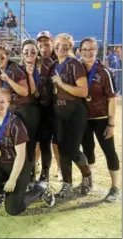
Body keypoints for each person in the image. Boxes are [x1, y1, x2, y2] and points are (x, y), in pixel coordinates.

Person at [0, 88, 55, 216]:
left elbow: (21, 155)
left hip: (19, 164)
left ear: (8, 104)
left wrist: (12, 179)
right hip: (0, 162)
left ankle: (39, 190)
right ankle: (5, 189)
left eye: (2, 102)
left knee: (13, 209)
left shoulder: (16, 123)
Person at [0, 44, 39, 206]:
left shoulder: (14, 69)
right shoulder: (1, 71)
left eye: (2, 56)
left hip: (25, 111)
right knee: (15, 148)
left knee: (28, 147)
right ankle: (18, 178)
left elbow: (25, 92)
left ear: (8, 56)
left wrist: (8, 80)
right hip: (13, 111)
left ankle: (30, 180)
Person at [51, 33, 92, 198]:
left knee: (73, 150)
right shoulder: (55, 64)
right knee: (62, 149)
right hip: (59, 112)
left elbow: (83, 91)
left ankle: (87, 176)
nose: (61, 48)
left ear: (71, 48)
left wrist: (62, 84)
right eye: (59, 44)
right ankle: (67, 184)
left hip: (75, 111)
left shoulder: (74, 64)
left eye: (66, 46)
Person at [79, 38, 120, 202]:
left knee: (109, 151)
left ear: (97, 51)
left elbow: (112, 98)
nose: (88, 53)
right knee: (88, 150)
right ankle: (89, 180)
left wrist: (111, 122)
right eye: (85, 50)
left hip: (102, 118)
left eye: (92, 49)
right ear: (80, 51)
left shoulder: (104, 72)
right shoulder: (77, 69)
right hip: (84, 119)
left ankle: (115, 187)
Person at [20, 39, 55, 182]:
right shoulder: (19, 68)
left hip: (46, 110)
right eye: (26, 51)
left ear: (38, 51)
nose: (30, 54)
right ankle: (31, 173)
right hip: (29, 112)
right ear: (22, 53)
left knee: (45, 144)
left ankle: (45, 174)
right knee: (31, 144)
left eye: (33, 51)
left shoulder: (47, 65)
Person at [35, 30, 61, 180]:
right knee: (39, 140)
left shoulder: (60, 60)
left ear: (52, 43)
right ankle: (36, 166)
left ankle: (59, 168)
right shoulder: (34, 60)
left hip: (57, 108)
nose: (44, 47)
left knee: (57, 142)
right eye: (40, 44)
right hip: (41, 107)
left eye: (46, 43)